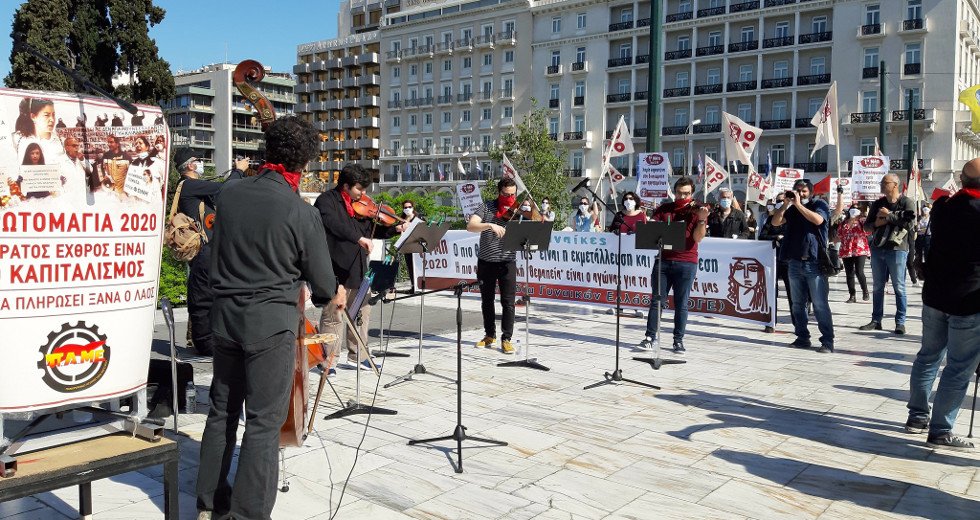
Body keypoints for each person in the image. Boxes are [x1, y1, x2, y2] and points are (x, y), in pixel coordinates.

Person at [197, 116, 342, 519]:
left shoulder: (229, 194)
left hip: (224, 318)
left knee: (221, 411)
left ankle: (208, 504)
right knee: (263, 423)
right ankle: (247, 515)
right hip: (270, 325)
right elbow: (325, 286)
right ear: (305, 163)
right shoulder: (300, 212)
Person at [904, 158, 980, 451]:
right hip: (968, 298)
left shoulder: (942, 206)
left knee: (928, 356)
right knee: (958, 367)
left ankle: (917, 417)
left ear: (961, 180)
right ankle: (941, 429)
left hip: (935, 294)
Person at [315, 164, 406, 372]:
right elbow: (334, 225)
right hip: (336, 267)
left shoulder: (361, 206)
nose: (364, 195)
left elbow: (371, 230)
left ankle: (359, 355)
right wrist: (358, 237)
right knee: (334, 315)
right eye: (359, 190)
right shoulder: (327, 201)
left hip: (358, 267)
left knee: (362, 313)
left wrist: (394, 229)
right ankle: (327, 360)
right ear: (345, 186)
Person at [174, 148, 247, 356]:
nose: (200, 163)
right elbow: (227, 189)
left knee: (203, 296)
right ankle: (204, 341)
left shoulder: (192, 187)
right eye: (197, 160)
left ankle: (199, 339)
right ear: (190, 165)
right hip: (204, 253)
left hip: (205, 252)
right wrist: (239, 171)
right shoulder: (189, 185)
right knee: (205, 297)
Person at [637, 177, 709, 354]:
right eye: (679, 193)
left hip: (686, 262)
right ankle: (649, 337)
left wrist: (701, 220)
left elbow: (698, 238)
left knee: (681, 303)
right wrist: (650, 224)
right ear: (673, 192)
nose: (682, 196)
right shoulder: (665, 208)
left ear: (692, 193)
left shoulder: (697, 210)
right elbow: (652, 231)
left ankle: (678, 340)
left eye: (686, 193)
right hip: (663, 261)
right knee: (657, 300)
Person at [769, 178, 835, 353]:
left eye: (804, 191)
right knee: (797, 304)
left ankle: (827, 341)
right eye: (797, 190)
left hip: (814, 262)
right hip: (794, 261)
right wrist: (785, 205)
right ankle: (802, 337)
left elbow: (819, 221)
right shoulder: (791, 208)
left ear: (810, 192)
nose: (800, 193)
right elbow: (775, 222)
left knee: (820, 304)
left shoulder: (819, 204)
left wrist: (798, 204)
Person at [467, 177, 520, 353]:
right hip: (486, 261)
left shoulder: (517, 209)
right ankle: (490, 335)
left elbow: (536, 221)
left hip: (507, 261)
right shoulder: (486, 206)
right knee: (487, 300)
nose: (510, 198)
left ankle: (507, 338)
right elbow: (471, 226)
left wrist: (533, 212)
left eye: (513, 195)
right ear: (499, 192)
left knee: (508, 302)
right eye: (506, 194)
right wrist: (489, 224)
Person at [860, 173, 916, 335]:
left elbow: (910, 223)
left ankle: (900, 322)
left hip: (897, 249)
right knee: (878, 286)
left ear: (895, 185)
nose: (882, 185)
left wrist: (889, 215)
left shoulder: (906, 202)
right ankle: (876, 320)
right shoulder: (878, 203)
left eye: (885, 182)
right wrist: (878, 222)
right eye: (882, 182)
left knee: (899, 287)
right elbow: (867, 227)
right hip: (878, 249)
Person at [759, 193, 795, 332]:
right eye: (779, 201)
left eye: (785, 200)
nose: (782, 202)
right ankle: (770, 322)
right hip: (773, 260)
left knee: (793, 293)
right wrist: (776, 237)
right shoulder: (771, 219)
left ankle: (797, 322)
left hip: (789, 260)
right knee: (771, 292)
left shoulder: (794, 219)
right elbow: (762, 236)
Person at [838, 203, 871, 303]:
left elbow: (868, 232)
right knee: (849, 273)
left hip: (860, 249)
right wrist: (850, 222)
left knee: (859, 271)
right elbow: (839, 234)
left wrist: (863, 218)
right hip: (846, 250)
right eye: (853, 209)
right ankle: (852, 295)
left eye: (857, 209)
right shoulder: (844, 223)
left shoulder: (862, 222)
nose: (854, 211)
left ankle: (865, 291)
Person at [400, 199, 422, 294]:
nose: (408, 209)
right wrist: (407, 219)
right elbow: (401, 231)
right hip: (408, 246)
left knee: (418, 266)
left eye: (409, 207)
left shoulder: (418, 217)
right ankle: (413, 286)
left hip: (417, 246)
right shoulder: (402, 219)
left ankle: (420, 286)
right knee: (410, 266)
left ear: (413, 208)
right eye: (405, 207)